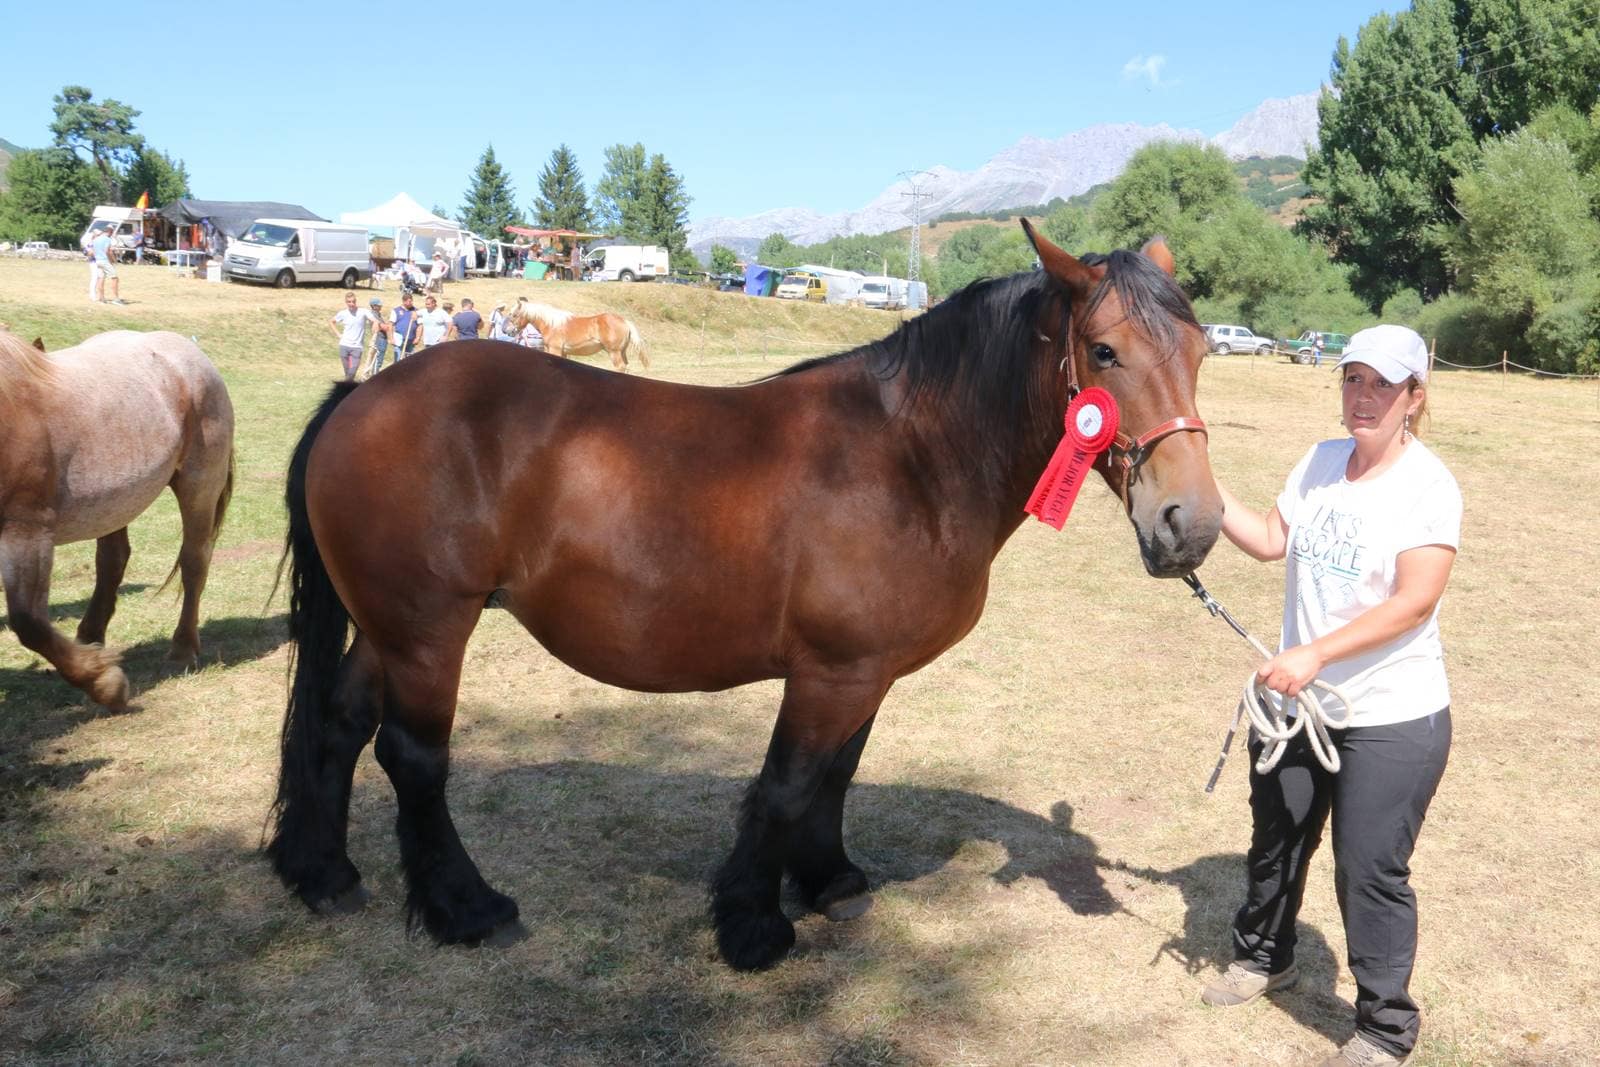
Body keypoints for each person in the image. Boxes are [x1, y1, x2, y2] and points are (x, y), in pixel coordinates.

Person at [1201, 324, 1460, 1067]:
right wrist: (1198, 477)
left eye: (1383, 384)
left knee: (1368, 866)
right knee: (1277, 837)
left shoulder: (1429, 485)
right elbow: (1268, 537)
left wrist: (1314, 652)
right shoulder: (1318, 462)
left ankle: (1383, 1027)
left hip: (1392, 715)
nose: (1364, 396)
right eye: (1352, 379)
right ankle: (1263, 956)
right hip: (1297, 706)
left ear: (1414, 396)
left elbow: (1414, 601)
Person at [330, 291, 377, 380]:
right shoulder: (343, 313)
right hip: (344, 345)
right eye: (349, 302)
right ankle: (349, 390)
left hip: (357, 347)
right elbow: (332, 322)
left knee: (352, 372)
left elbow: (373, 319)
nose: (352, 304)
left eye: (353, 301)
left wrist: (375, 323)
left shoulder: (363, 311)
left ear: (356, 301)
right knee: (347, 372)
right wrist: (338, 334)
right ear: (346, 302)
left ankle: (346, 388)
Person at [356, 297, 393, 380]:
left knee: (377, 358)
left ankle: (371, 375)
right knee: (377, 358)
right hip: (379, 338)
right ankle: (374, 376)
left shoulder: (377, 314)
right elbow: (383, 327)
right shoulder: (373, 315)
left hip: (381, 338)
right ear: (374, 306)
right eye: (379, 305)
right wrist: (388, 327)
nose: (381, 306)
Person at [91, 227, 125, 304]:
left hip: (98, 261)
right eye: (111, 233)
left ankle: (101, 298)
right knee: (115, 278)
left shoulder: (95, 239)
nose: (111, 235)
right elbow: (107, 251)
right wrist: (113, 260)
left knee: (101, 278)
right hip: (105, 260)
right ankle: (116, 299)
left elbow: (93, 251)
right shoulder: (107, 239)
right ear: (109, 232)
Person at [391, 292, 421, 361]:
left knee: (410, 361)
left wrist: (418, 337)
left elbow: (420, 325)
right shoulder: (396, 311)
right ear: (404, 301)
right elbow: (391, 325)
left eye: (411, 301)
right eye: (409, 301)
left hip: (411, 340)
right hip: (399, 339)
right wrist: (391, 338)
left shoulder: (416, 311)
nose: (411, 303)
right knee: (398, 360)